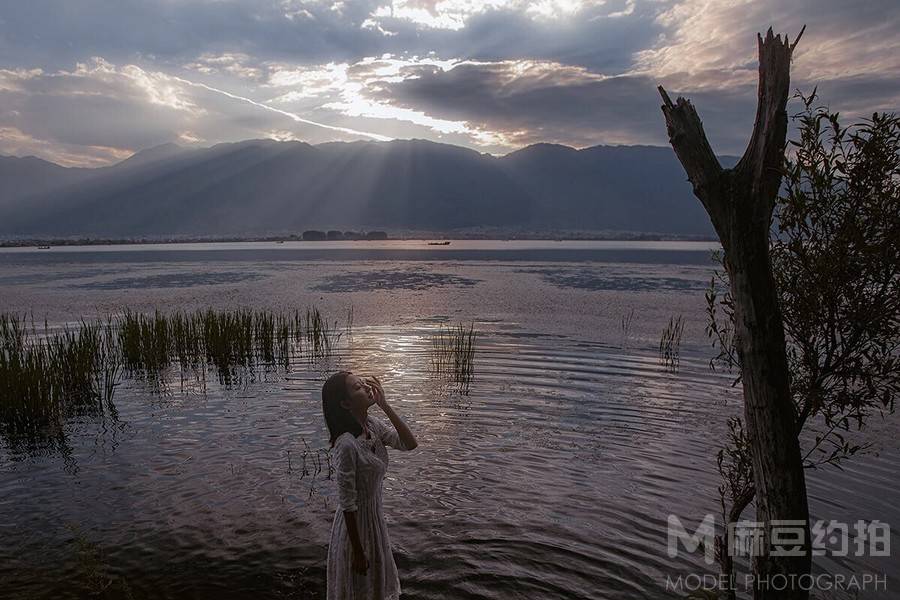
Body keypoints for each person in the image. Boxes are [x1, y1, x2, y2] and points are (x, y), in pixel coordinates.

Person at [322, 371, 418, 600]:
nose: (366, 388)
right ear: (345, 403)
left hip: (374, 520)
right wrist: (357, 551)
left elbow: (409, 444)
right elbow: (347, 502)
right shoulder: (347, 445)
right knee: (357, 589)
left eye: (364, 384)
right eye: (358, 388)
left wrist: (385, 406)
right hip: (354, 528)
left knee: (376, 587)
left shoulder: (372, 425)